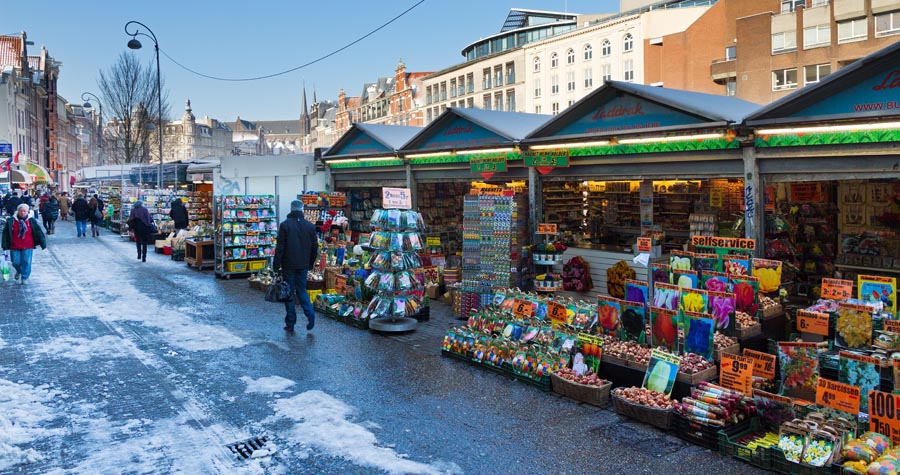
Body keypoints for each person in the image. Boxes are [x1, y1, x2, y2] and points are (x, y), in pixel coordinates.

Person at [273, 200, 319, 334]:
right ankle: (310, 314)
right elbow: (314, 248)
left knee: (289, 293)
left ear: (291, 209)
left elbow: (280, 247)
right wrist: (310, 263)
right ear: (302, 209)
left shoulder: (285, 225)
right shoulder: (310, 226)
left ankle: (290, 323)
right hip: (303, 265)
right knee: (302, 291)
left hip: (288, 265)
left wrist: (276, 265)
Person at [1, 203, 47, 285]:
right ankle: (19, 271)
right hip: (14, 245)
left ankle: (24, 277)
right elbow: (5, 233)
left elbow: (38, 232)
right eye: (21, 211)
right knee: (15, 262)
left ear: (27, 212)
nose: (22, 213)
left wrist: (43, 243)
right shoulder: (11, 221)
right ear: (18, 211)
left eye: (24, 211)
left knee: (26, 261)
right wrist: (4, 244)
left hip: (28, 245)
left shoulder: (31, 220)